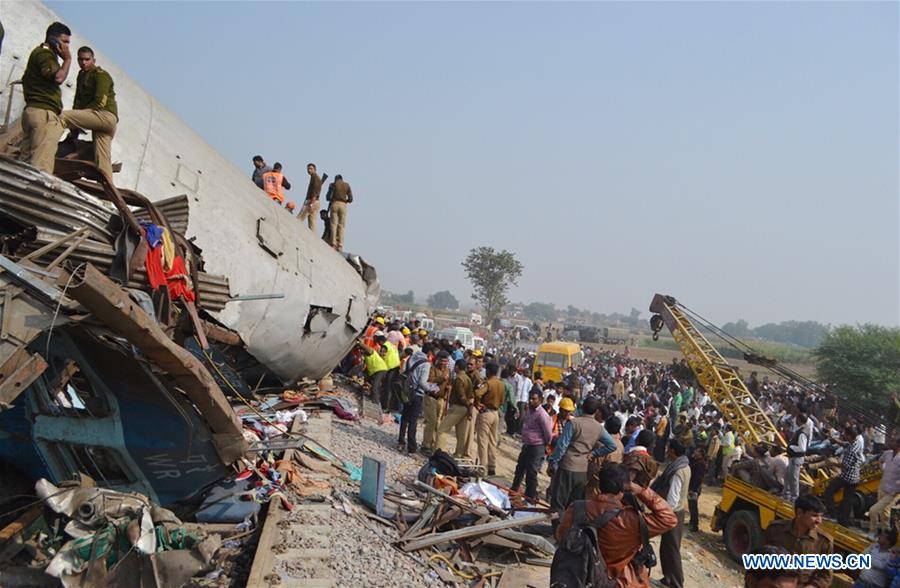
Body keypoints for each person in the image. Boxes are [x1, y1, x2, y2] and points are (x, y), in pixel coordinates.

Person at [555, 463, 677, 587]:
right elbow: (669, 518)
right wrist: (642, 491)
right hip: (617, 580)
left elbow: (561, 536)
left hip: (580, 576)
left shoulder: (576, 508)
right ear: (624, 488)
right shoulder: (631, 519)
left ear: (600, 483)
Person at [546, 397, 617, 529]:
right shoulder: (599, 428)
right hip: (582, 469)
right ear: (596, 411)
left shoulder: (574, 423)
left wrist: (553, 461)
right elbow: (612, 445)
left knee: (558, 503)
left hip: (567, 465)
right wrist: (593, 454)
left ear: (582, 407)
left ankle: (558, 533)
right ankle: (569, 532)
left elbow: (562, 445)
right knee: (574, 504)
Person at [20, 22, 72, 174]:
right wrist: (67, 60)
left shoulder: (43, 54)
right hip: (43, 113)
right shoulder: (45, 54)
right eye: (64, 41)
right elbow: (58, 77)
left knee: (25, 164)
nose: (67, 47)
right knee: (40, 166)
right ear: (53, 39)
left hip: (33, 112)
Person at [60, 46, 117, 177]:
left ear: (93, 60)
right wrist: (74, 130)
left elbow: (100, 102)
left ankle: (46, 149)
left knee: (61, 117)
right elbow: (77, 101)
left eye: (87, 59)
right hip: (99, 121)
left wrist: (78, 118)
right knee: (103, 159)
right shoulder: (82, 75)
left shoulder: (101, 75)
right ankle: (108, 189)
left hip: (104, 116)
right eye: (81, 59)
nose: (84, 63)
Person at [763, 494, 834, 588]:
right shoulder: (775, 530)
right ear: (800, 513)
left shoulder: (824, 542)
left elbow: (825, 575)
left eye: (821, 516)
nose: (819, 521)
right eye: (814, 516)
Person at [652, 439, 691, 588]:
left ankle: (675, 583)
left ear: (673, 451)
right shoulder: (684, 466)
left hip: (672, 512)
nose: (667, 450)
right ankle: (667, 578)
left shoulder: (677, 471)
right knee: (667, 547)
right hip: (677, 512)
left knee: (672, 549)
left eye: (669, 448)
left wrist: (661, 511)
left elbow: (672, 499)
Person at [398, 344, 439, 454]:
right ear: (429, 352)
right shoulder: (425, 364)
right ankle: (411, 447)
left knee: (404, 417)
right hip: (417, 394)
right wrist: (431, 388)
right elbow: (422, 382)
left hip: (407, 391)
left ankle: (401, 442)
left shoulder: (412, 357)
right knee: (413, 421)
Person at [511, 390, 552, 500]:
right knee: (520, 468)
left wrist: (545, 445)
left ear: (540, 400)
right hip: (527, 444)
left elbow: (548, 433)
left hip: (537, 446)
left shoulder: (542, 415)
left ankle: (530, 496)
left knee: (531, 472)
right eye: (530, 398)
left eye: (534, 399)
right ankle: (513, 490)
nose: (530, 400)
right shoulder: (529, 410)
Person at [823, 424, 864, 526]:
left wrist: (832, 463)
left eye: (845, 434)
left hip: (848, 477)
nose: (843, 435)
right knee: (847, 499)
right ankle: (843, 521)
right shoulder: (855, 442)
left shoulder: (852, 450)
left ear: (849, 436)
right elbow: (845, 444)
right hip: (855, 477)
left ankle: (831, 514)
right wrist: (835, 439)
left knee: (829, 490)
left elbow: (845, 465)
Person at [436, 359, 474, 459]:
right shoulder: (468, 378)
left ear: (457, 367)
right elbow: (470, 395)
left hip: (458, 407)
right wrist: (469, 407)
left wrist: (466, 404)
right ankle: (458, 455)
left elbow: (461, 396)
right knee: (461, 435)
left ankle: (439, 453)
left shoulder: (459, 379)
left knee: (441, 430)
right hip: (465, 409)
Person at [473, 362, 505, 475]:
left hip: (486, 413)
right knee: (492, 441)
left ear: (489, 371)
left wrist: (478, 404)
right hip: (495, 413)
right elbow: (502, 400)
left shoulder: (488, 383)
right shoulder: (501, 384)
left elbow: (477, 393)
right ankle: (492, 466)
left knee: (482, 441)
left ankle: (482, 467)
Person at [868, 436, 900, 536]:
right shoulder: (887, 453)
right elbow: (881, 461)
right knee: (884, 514)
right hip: (882, 487)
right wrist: (883, 469)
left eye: (893, 442)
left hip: (892, 492)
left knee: (873, 510)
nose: (891, 442)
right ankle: (885, 535)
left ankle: (873, 531)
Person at [421, 350, 451, 455]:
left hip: (442, 399)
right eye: (442, 361)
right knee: (431, 421)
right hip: (431, 397)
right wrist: (441, 379)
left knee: (439, 423)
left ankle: (434, 444)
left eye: (445, 361)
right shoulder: (432, 368)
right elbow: (429, 381)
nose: (443, 363)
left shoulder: (448, 370)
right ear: (437, 360)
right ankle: (426, 445)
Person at [783, 411, 811, 503]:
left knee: (793, 478)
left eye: (796, 419)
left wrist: (791, 447)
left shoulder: (802, 433)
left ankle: (794, 497)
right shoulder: (800, 430)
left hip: (796, 458)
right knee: (787, 475)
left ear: (799, 420)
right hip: (793, 457)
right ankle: (786, 495)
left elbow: (802, 448)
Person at [328, 174, 353, 251]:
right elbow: (351, 198)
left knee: (333, 224)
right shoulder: (347, 185)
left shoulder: (333, 184)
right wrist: (346, 201)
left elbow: (328, 197)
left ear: (336, 179)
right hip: (343, 205)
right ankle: (340, 245)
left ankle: (333, 243)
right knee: (341, 226)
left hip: (335, 204)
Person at [687, 445, 708, 532]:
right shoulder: (697, 461)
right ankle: (692, 521)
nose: (694, 452)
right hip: (693, 487)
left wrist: (693, 489)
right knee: (691, 505)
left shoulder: (700, 464)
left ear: (700, 454)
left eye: (697, 451)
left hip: (695, 488)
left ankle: (694, 525)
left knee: (693, 506)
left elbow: (698, 478)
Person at [299, 163, 323, 230]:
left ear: (315, 169)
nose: (309, 170)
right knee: (312, 224)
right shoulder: (314, 177)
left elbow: (315, 193)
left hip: (312, 201)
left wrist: (311, 205)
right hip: (315, 201)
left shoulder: (315, 177)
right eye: (308, 169)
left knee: (299, 219)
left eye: (311, 169)